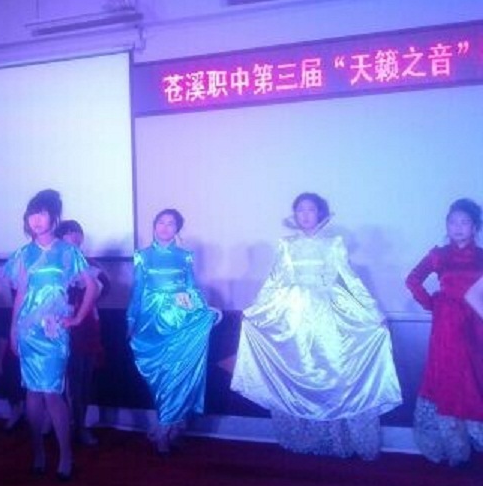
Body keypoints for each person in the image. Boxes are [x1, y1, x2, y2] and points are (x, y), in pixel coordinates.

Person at [230, 193, 401, 459]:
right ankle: (304, 439)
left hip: (328, 315)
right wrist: (254, 310)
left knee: (332, 372)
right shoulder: (286, 244)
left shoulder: (334, 243)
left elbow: (350, 279)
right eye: (300, 210)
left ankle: (338, 439)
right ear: (295, 215)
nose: (306, 215)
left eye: (311, 209)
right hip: (294, 317)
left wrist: (374, 311)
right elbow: (275, 281)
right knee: (299, 372)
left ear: (320, 213)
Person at [7, 189, 96, 481]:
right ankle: (38, 452)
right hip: (29, 330)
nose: (36, 219)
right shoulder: (23, 253)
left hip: (55, 330)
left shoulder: (68, 251)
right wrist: (13, 329)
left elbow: (92, 286)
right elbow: (21, 294)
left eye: (42, 213)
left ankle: (66, 455)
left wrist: (77, 317)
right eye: (32, 214)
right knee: (32, 392)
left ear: (54, 217)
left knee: (53, 393)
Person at [127, 209, 216, 454]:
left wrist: (204, 310)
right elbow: (137, 290)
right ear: (154, 225)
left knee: (178, 374)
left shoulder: (185, 256)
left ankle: (169, 430)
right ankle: (165, 427)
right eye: (161, 222)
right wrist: (130, 320)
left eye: (171, 224)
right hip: (151, 322)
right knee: (161, 376)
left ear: (177, 229)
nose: (165, 227)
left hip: (179, 320)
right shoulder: (142, 255)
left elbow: (192, 288)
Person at [406, 198, 483, 466]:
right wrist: (433, 304)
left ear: (475, 227)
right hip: (447, 326)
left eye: (464, 222)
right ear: (447, 226)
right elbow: (412, 279)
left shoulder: (482, 256)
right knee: (450, 377)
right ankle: (456, 449)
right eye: (453, 222)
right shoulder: (438, 255)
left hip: (477, 324)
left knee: (475, 376)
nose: (458, 227)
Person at [55, 219, 109, 447]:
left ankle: (81, 425)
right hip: (56, 327)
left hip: (85, 327)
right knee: (56, 379)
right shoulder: (51, 263)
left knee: (83, 380)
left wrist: (84, 297)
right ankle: (59, 424)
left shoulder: (91, 264)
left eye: (77, 232)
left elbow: (104, 290)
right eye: (69, 232)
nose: (74, 236)